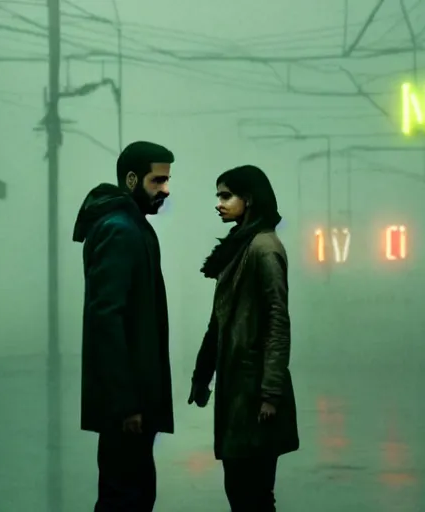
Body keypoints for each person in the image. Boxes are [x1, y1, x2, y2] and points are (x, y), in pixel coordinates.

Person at [188, 164, 299, 511]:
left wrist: (270, 393)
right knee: (241, 491)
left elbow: (277, 322)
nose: (218, 204)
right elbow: (218, 321)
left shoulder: (264, 248)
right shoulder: (240, 247)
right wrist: (201, 375)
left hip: (254, 395)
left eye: (226, 196)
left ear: (248, 200)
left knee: (253, 495)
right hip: (238, 390)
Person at [72, 140, 175, 512]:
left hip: (132, 400)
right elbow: (107, 319)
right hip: (127, 405)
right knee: (126, 498)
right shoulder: (121, 230)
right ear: (132, 179)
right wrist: (126, 401)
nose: (165, 190)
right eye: (157, 181)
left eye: (166, 181)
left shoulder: (132, 227)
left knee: (132, 494)